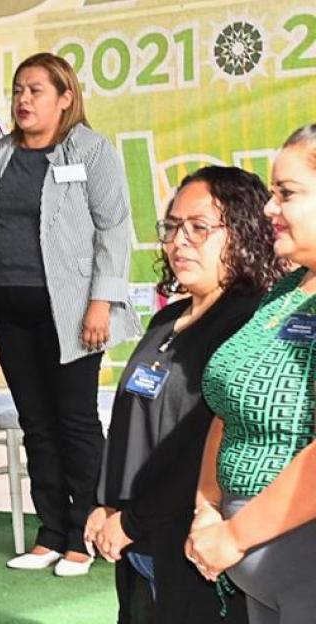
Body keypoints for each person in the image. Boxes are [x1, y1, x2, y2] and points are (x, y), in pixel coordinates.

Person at [0, 52, 140, 576]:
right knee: (36, 422)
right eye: (18, 90)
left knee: (76, 420)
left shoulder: (91, 150)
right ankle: (50, 531)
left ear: (65, 98)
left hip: (74, 310)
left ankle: (86, 530)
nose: (23, 100)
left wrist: (101, 301)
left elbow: (113, 229)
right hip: (9, 310)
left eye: (36, 90)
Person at [87, 166, 281, 622]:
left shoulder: (248, 323)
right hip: (136, 537)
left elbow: (200, 444)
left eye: (199, 228)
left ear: (245, 233)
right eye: (172, 227)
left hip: (191, 543)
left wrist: (131, 522)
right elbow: (131, 425)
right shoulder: (166, 319)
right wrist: (106, 502)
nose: (179, 242)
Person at [186, 125, 316, 623]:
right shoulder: (285, 292)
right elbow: (227, 407)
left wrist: (235, 536)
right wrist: (207, 507)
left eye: (286, 193)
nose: (269, 208)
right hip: (258, 574)